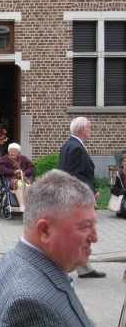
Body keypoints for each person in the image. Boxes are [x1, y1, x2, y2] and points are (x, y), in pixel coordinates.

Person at [0, 170, 101, 327]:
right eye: (86, 226)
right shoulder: (33, 304)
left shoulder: (14, 260)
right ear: (44, 230)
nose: (95, 237)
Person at [59, 116, 105, 279]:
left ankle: (84, 268)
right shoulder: (76, 147)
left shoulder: (69, 145)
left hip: (73, 197)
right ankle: (59, 267)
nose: (91, 130)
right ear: (83, 129)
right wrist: (89, 194)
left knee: (79, 232)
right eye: (90, 127)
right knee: (79, 232)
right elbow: (76, 176)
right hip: (77, 199)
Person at [0, 142, 35, 212]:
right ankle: (22, 206)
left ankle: (29, 206)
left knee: (28, 185)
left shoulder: (24, 158)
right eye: (12, 151)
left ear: (19, 152)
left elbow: (32, 168)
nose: (14, 153)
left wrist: (24, 173)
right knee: (20, 184)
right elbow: (0, 168)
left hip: (24, 177)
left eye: (16, 152)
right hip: (10, 178)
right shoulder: (5, 158)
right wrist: (13, 172)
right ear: (9, 151)